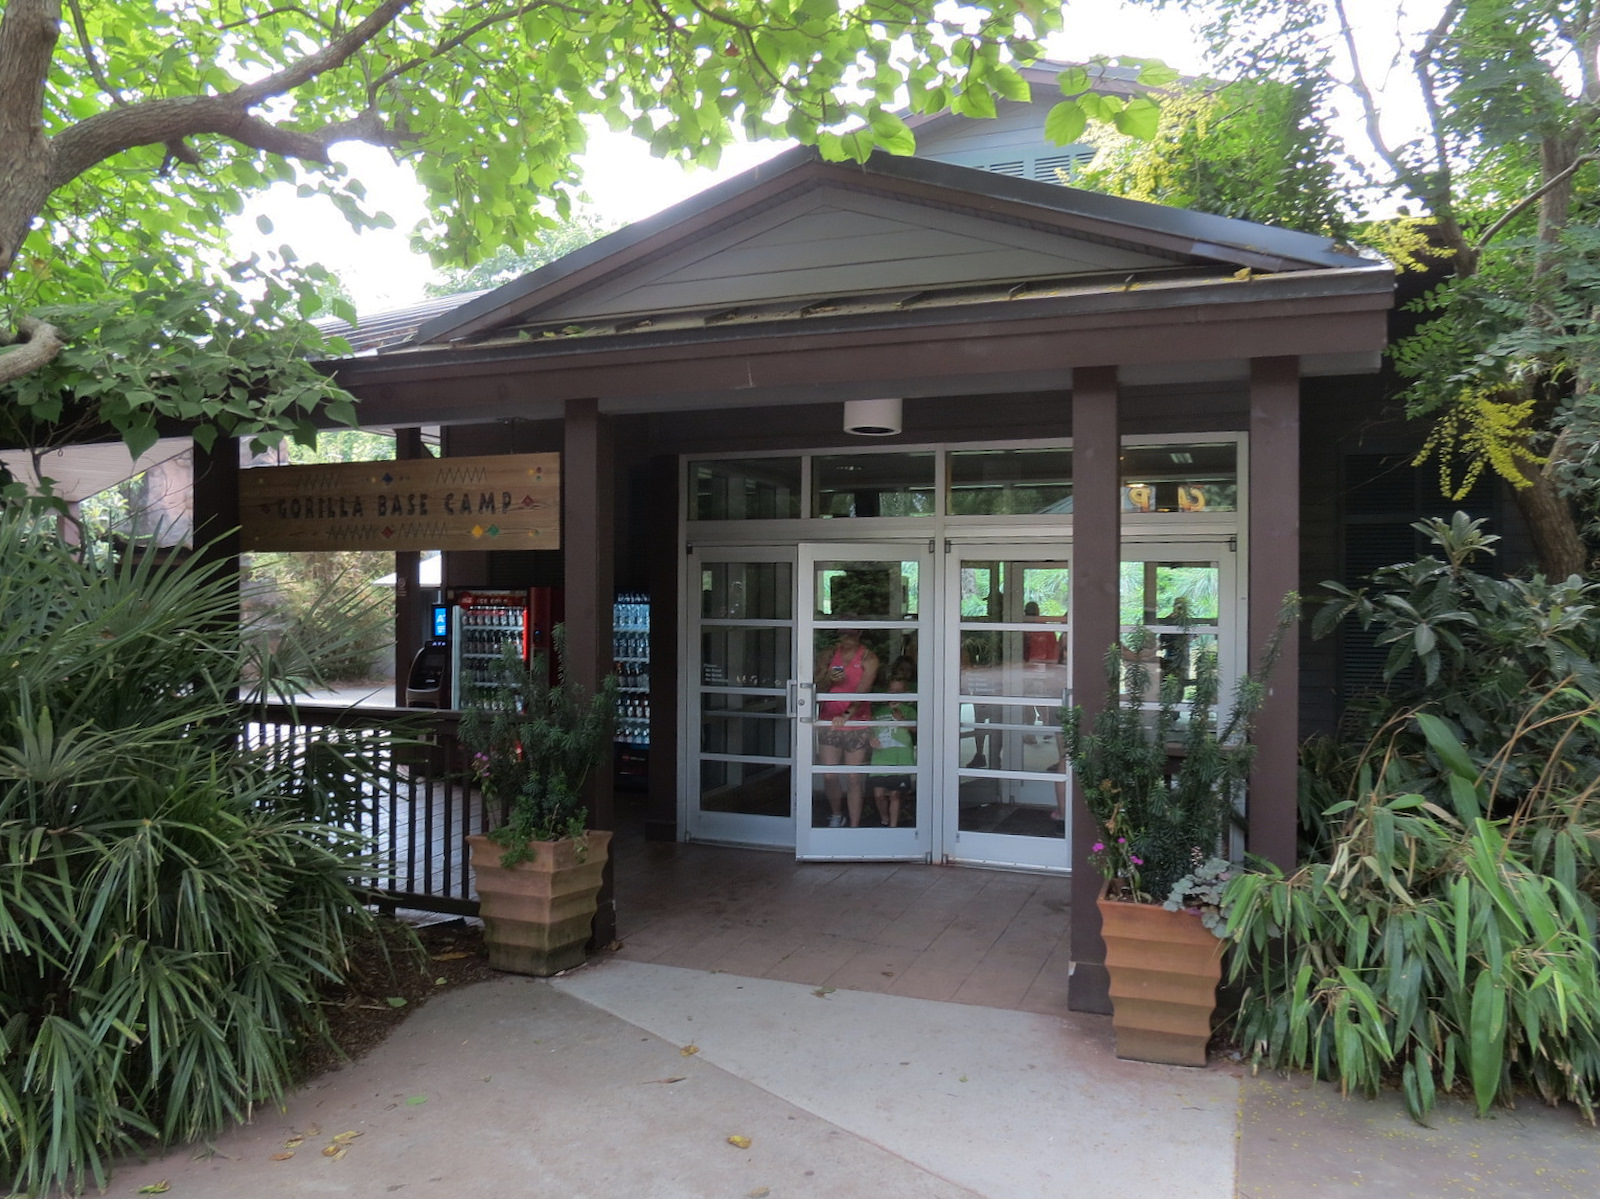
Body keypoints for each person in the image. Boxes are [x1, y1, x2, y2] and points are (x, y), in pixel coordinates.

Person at [814, 622, 879, 828]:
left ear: (859, 633)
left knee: (853, 777)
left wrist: (846, 714)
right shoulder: (829, 654)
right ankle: (836, 814)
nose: (847, 637)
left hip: (857, 722)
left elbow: (863, 691)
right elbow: (815, 686)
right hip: (829, 720)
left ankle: (854, 825)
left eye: (851, 633)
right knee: (829, 774)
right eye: (843, 633)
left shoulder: (868, 658)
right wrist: (828, 678)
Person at [869, 659, 917, 828]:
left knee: (895, 795)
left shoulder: (909, 711)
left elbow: (916, 730)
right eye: (892, 691)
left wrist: (902, 720)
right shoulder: (878, 712)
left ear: (906, 693)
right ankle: (885, 818)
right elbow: (869, 731)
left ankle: (893, 827)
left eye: (899, 692)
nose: (895, 694)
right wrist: (871, 740)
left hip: (900, 760)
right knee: (879, 795)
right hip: (880, 759)